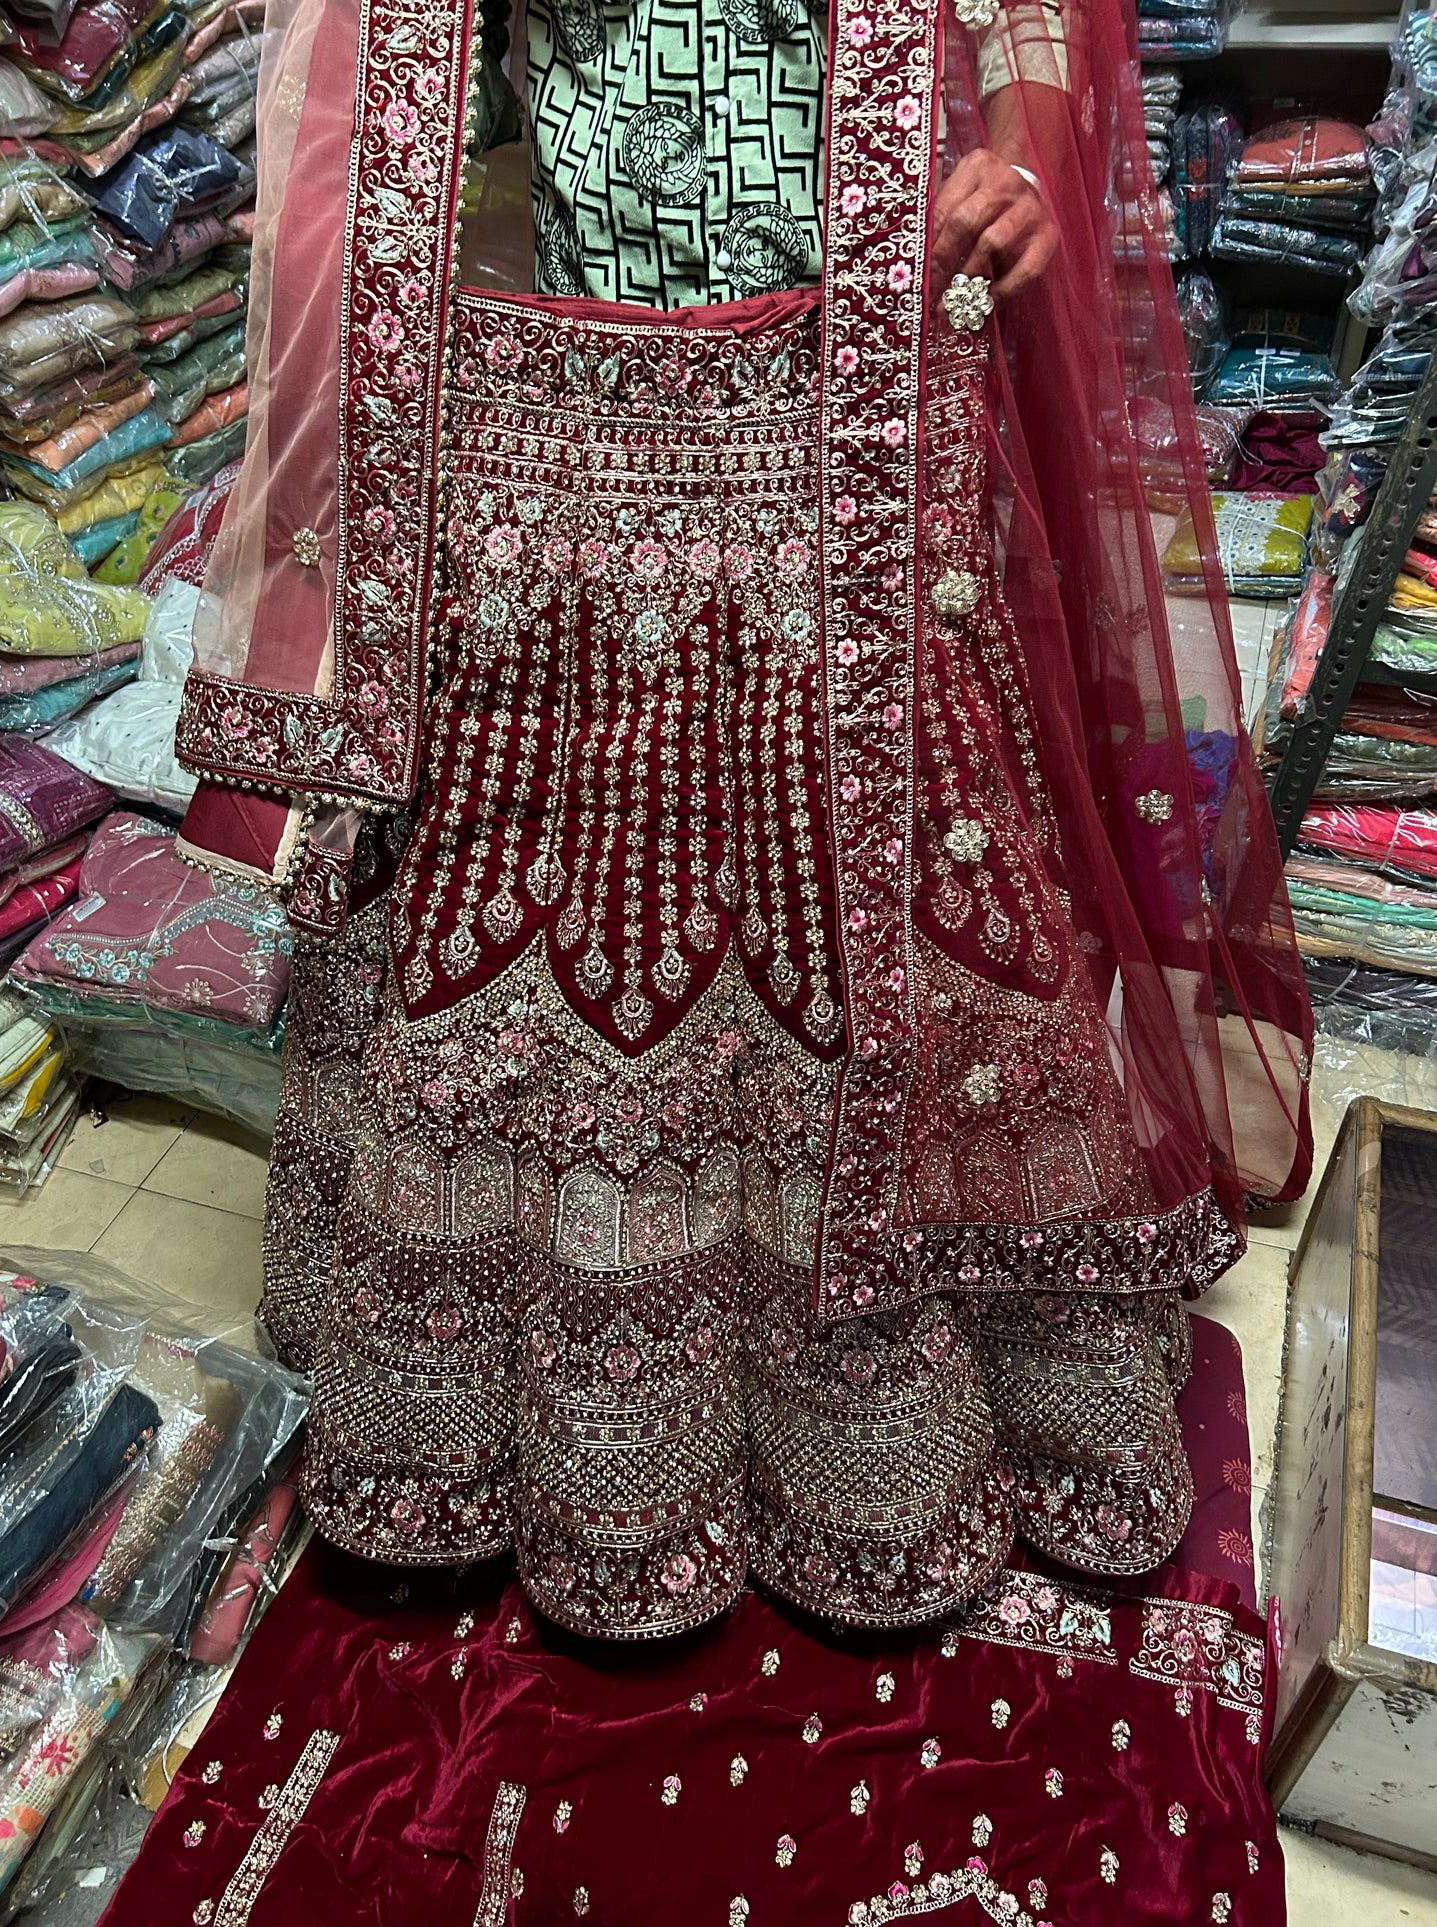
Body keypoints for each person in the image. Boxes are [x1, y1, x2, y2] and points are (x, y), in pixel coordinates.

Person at [173, 0, 1313, 1639]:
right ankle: (518, 1428)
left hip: (858, 412)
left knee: (868, 922)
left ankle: (885, 1436)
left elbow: (1026, 19)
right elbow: (381, 70)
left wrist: (1017, 158)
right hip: (556, 444)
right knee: (550, 915)